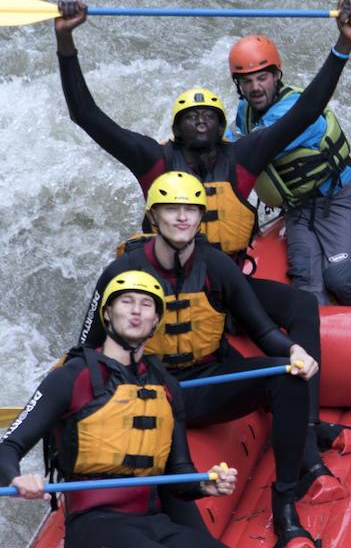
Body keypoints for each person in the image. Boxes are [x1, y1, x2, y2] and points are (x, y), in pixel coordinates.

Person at [56, 0, 351, 495]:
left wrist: (343, 48)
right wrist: (66, 42)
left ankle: (307, 435)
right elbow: (86, 114)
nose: (200, 120)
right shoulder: (152, 160)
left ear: (224, 124)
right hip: (182, 297)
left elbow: (307, 107)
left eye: (209, 115)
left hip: (229, 289)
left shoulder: (243, 155)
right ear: (176, 127)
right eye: (190, 115)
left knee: (303, 306)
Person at [78, 172, 321, 546]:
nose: (181, 217)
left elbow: (263, 330)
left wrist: (294, 352)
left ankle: (285, 504)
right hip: (156, 396)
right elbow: (87, 347)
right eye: (171, 209)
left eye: (190, 210)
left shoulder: (216, 267)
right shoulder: (122, 273)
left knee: (286, 377)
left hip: (210, 383)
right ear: (153, 217)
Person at [0, 271, 238, 548]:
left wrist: (203, 486)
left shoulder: (166, 386)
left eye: (146, 305)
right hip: (95, 525)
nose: (136, 311)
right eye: (126, 301)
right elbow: (8, 446)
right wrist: (17, 477)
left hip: (152, 521)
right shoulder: (71, 377)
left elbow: (178, 472)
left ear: (157, 320)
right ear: (108, 313)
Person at [226, 34, 351, 310]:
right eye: (246, 81)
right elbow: (229, 142)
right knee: (309, 292)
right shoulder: (246, 111)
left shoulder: (294, 109)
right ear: (238, 85)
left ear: (276, 76)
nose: (255, 87)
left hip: (340, 197)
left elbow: (251, 148)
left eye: (262, 78)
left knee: (342, 277)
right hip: (299, 209)